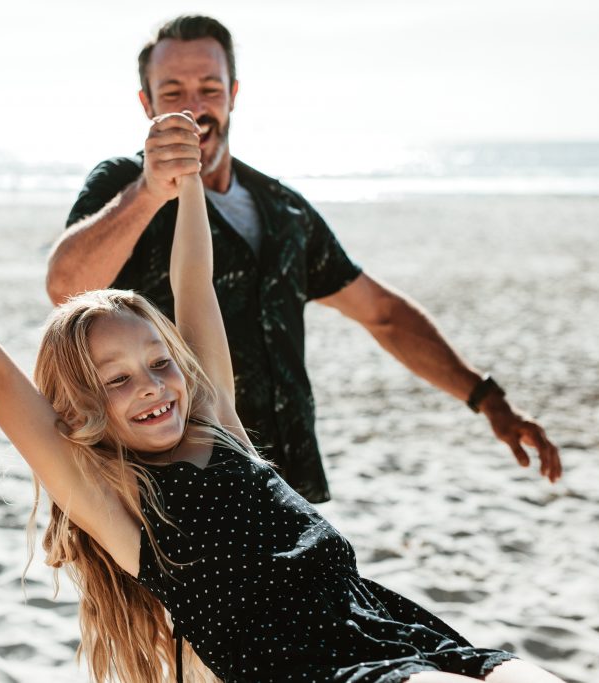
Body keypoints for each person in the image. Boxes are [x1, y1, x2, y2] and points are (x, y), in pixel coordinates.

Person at [0, 110, 564, 682]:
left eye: (159, 362)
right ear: (82, 410)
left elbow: (193, 283)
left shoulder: (218, 425)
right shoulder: (117, 499)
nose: (152, 386)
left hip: (398, 633)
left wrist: (186, 179)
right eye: (117, 379)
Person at [45, 15, 562, 503]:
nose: (195, 107)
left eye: (210, 88)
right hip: (178, 488)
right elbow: (65, 287)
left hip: (286, 486)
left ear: (234, 93)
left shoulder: (283, 209)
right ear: (147, 103)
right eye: (174, 92)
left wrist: (486, 398)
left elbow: (381, 314)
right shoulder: (123, 184)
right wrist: (150, 190)